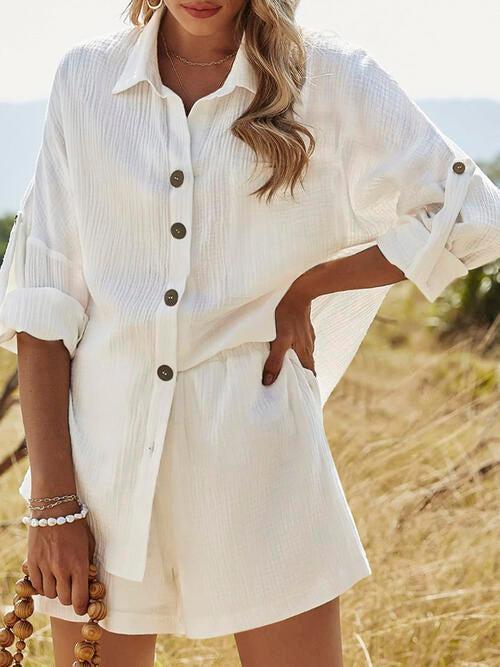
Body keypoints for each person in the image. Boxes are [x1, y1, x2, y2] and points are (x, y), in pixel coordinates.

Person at [1, 0, 499, 665]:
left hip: (261, 472)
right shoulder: (86, 80)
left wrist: (312, 283)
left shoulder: (329, 76)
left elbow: (474, 215)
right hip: (101, 478)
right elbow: (43, 303)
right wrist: (55, 506)